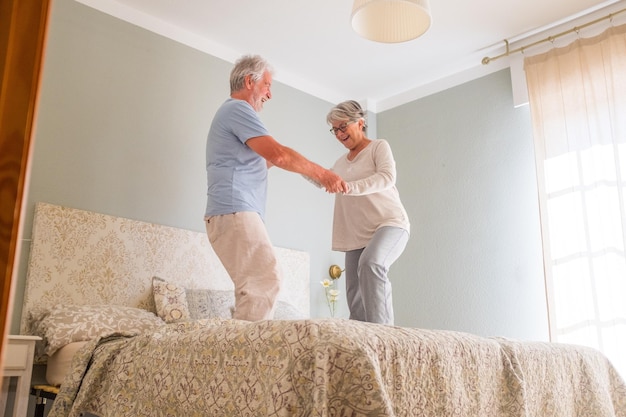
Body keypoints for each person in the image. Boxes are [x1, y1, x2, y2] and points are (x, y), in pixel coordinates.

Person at [205, 55, 347, 322]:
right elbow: (280, 155)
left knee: (254, 287)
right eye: (267, 86)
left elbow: (270, 160)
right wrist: (323, 174)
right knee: (266, 279)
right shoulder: (238, 109)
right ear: (250, 81)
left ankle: (238, 354)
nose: (269, 95)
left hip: (231, 212)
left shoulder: (232, 115)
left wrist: (318, 179)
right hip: (235, 209)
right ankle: (247, 356)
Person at [326, 100, 410, 325]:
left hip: (390, 223)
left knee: (371, 263)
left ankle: (384, 336)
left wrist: (349, 187)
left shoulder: (378, 147)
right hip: (357, 234)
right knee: (354, 295)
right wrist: (290, 163)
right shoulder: (339, 164)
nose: (339, 134)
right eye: (335, 129)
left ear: (360, 123)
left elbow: (387, 177)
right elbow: (324, 180)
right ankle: (362, 342)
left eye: (343, 126)